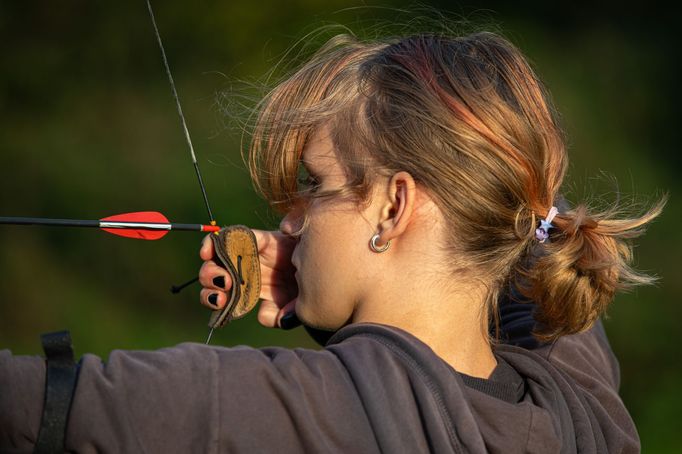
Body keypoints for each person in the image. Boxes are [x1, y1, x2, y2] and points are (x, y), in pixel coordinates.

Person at [0, 28, 665, 453]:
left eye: (313, 185)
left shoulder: (295, 408)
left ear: (394, 205)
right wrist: (333, 277)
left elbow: (32, 403)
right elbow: (539, 214)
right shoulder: (580, 398)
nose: (290, 221)